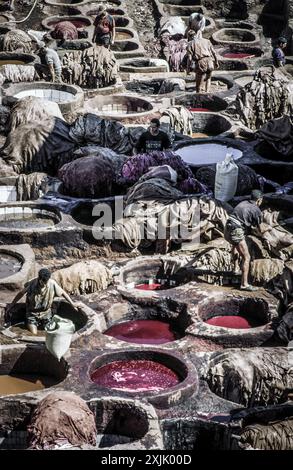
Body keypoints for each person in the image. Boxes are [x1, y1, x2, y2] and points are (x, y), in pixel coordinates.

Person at [6, 268, 78, 335]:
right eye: (43, 281)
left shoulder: (52, 283)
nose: (45, 283)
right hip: (32, 314)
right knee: (34, 333)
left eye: (46, 281)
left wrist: (72, 303)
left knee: (49, 331)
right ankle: (28, 323)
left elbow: (63, 293)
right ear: (39, 279)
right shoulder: (32, 284)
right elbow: (21, 293)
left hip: (46, 313)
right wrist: (12, 304)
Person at [224, 190, 263, 291]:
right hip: (236, 230)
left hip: (227, 227)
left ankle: (235, 268)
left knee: (234, 245)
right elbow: (259, 228)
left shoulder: (243, 203)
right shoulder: (256, 209)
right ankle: (244, 284)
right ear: (259, 200)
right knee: (247, 257)